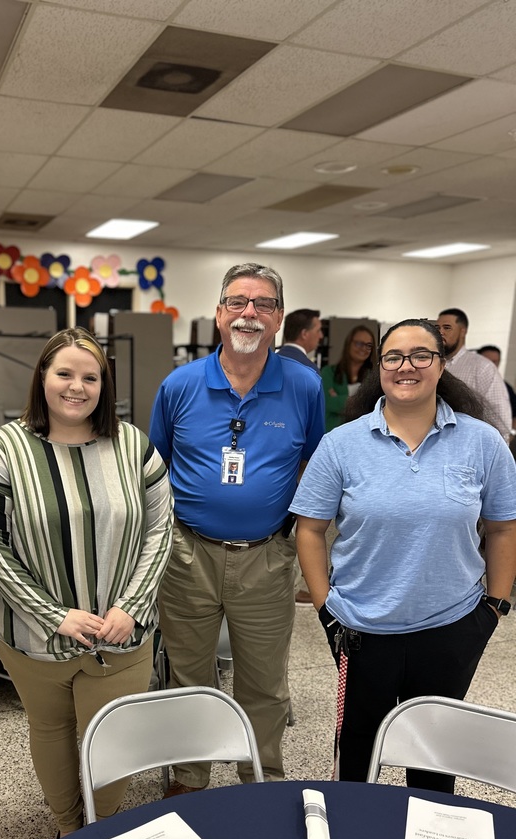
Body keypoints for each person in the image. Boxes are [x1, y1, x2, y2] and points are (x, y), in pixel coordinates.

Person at [0, 327, 172, 837]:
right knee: (52, 729)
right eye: (64, 374)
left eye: (90, 377)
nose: (76, 387)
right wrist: (53, 614)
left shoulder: (133, 446)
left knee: (113, 735)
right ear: (42, 378)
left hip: (121, 630)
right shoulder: (1, 451)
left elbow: (161, 526)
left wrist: (133, 605)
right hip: (32, 634)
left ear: (104, 385)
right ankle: (67, 829)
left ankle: (100, 829)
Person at [291, 319, 516, 791]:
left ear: (441, 364)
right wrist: (324, 605)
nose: (405, 366)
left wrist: (494, 607)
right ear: (379, 367)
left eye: (420, 355)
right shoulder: (341, 444)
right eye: (393, 356)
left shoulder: (483, 442)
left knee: (433, 758)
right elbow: (310, 530)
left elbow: (502, 529)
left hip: (453, 626)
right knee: (358, 751)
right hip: (360, 629)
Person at [149, 263, 324, 792]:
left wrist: (296, 539)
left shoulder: (303, 386)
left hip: (266, 557)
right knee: (189, 677)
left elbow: (316, 469)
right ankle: (190, 775)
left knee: (264, 684)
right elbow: (153, 469)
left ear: (278, 319)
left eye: (263, 304)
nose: (250, 312)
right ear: (220, 313)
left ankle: (261, 777)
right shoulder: (180, 385)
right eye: (238, 302)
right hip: (187, 554)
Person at [437, 308, 511, 441]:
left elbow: (500, 418)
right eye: (437, 327)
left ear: (462, 332)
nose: (440, 332)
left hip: (467, 444)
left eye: (447, 327)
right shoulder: (431, 363)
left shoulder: (482, 367)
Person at [320, 324, 376, 432]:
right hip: (333, 434)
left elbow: (372, 407)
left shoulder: (373, 377)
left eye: (368, 345)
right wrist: (359, 401)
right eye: (359, 343)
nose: (364, 348)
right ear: (348, 344)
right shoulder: (329, 372)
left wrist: (340, 399)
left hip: (362, 436)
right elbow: (328, 402)